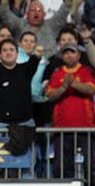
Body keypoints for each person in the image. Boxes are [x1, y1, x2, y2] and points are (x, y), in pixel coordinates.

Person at [46, 44, 95, 180]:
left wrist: (73, 83)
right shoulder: (57, 73)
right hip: (62, 128)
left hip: (86, 127)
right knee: (61, 168)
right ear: (62, 56)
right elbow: (50, 95)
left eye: (72, 52)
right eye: (66, 53)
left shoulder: (86, 71)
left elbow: (91, 89)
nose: (69, 55)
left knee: (91, 166)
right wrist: (64, 86)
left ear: (78, 55)